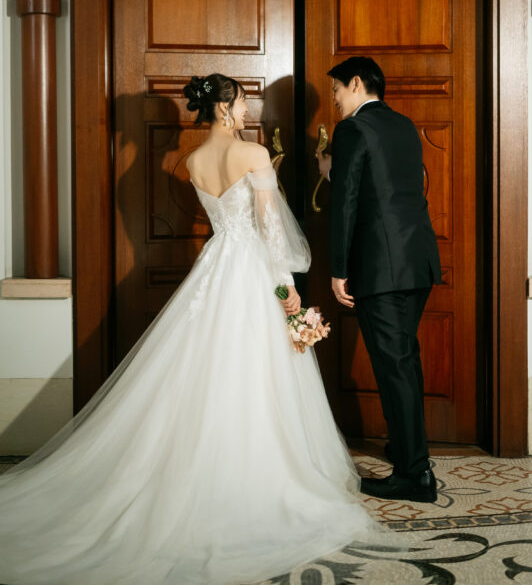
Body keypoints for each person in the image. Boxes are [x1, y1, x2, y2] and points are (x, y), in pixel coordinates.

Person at [0, 73, 379, 585]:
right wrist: (287, 288)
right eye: (240, 102)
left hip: (216, 268)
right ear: (223, 107)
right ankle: (252, 477)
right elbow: (271, 231)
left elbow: (229, 223)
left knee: (202, 369)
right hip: (253, 271)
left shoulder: (193, 162)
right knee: (256, 372)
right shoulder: (254, 154)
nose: (245, 109)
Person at [317, 56, 441, 502]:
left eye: (336, 90)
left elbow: (347, 200)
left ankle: (414, 475)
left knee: (395, 367)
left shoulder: (352, 129)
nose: (334, 99)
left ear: (356, 83)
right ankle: (406, 449)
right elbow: (388, 185)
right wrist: (335, 168)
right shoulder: (404, 125)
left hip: (380, 268)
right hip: (418, 261)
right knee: (404, 362)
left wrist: (338, 269)